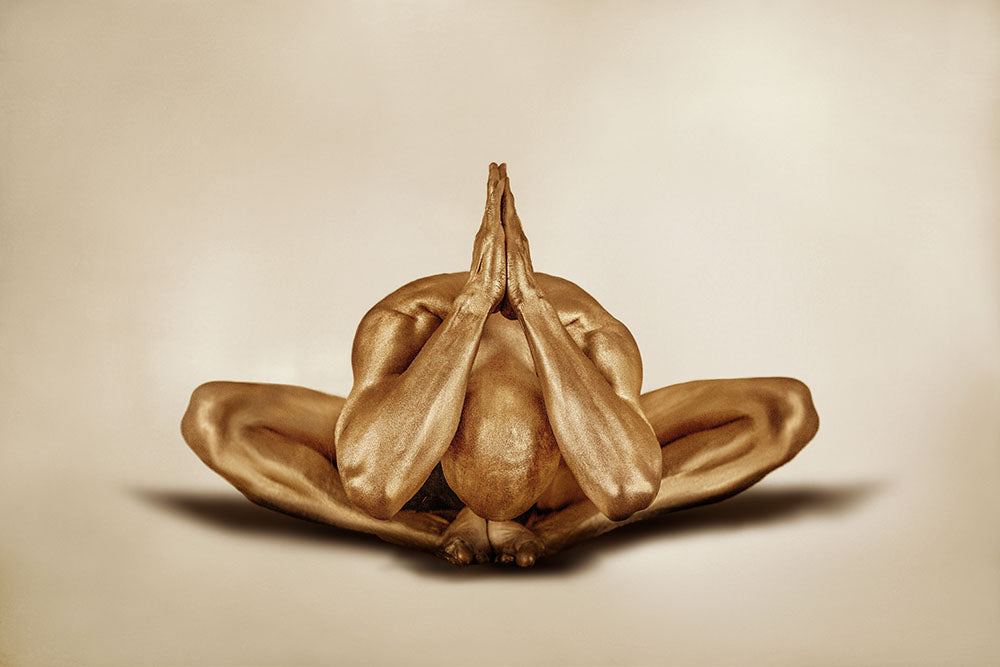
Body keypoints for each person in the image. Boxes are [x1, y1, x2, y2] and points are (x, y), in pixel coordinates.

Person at [181, 163, 819, 567]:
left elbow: (624, 487)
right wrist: (472, 308)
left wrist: (562, 527)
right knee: (213, 417)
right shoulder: (404, 324)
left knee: (785, 412)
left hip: (581, 458)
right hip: (412, 464)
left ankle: (554, 514)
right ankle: (432, 518)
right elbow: (376, 484)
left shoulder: (591, 334)